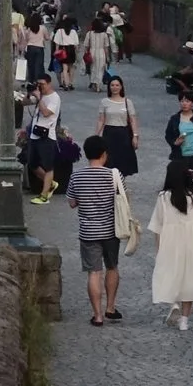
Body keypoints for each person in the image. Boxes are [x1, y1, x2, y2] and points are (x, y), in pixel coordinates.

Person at [66, 136, 125, 326]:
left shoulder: (77, 176)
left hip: (88, 231)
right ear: (104, 154)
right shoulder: (114, 175)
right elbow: (122, 200)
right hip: (110, 230)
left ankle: (97, 315)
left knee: (93, 272)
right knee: (112, 267)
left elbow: (72, 203)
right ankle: (111, 307)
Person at [149, 157, 193, 329]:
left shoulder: (163, 198)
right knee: (189, 278)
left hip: (170, 242)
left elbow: (157, 226)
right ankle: (184, 320)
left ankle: (174, 304)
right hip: (191, 243)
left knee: (171, 274)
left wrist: (159, 249)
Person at [25, 76, 64, 202]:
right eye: (39, 84)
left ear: (49, 84)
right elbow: (24, 103)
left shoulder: (54, 98)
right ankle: (51, 183)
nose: (41, 87)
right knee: (32, 164)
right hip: (34, 134)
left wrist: (38, 98)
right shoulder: (39, 95)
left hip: (47, 135)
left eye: (43, 84)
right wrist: (29, 93)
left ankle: (44, 195)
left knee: (48, 166)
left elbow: (46, 113)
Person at [98, 73, 141, 177]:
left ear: (121, 87)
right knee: (109, 160)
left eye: (117, 85)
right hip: (109, 133)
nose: (114, 87)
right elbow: (101, 120)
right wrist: (97, 135)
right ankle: (110, 183)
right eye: (112, 85)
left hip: (124, 133)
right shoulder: (104, 102)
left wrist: (135, 136)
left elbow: (132, 119)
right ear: (109, 87)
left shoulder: (127, 102)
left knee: (123, 159)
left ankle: (121, 184)